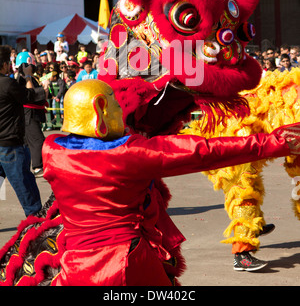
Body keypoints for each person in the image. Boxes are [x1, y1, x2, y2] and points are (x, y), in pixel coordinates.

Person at [42, 79, 300, 286]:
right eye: (117, 108)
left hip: (74, 265)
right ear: (100, 109)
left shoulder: (51, 151)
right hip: (125, 262)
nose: (122, 114)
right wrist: (276, 142)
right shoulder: (128, 154)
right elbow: (202, 152)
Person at [0, 46, 42, 216]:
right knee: (24, 185)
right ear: (4, 65)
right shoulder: (6, 83)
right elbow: (30, 96)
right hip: (10, 144)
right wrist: (28, 76)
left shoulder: (8, 83)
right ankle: (36, 222)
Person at [15, 51, 48, 177]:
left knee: (29, 142)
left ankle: (29, 167)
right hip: (28, 115)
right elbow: (31, 95)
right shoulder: (23, 79)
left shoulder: (28, 78)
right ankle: (37, 166)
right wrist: (43, 90)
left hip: (31, 114)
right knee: (37, 140)